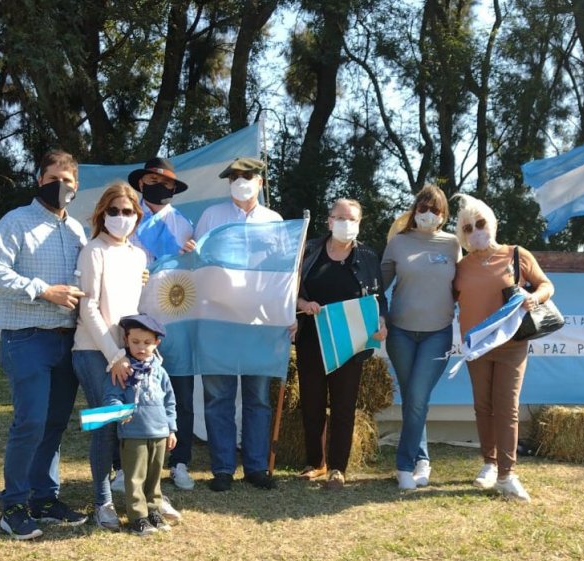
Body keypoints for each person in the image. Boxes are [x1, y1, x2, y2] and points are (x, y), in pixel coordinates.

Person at [0, 149, 88, 539]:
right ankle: (13, 505)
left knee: (55, 424)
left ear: (76, 188)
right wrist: (43, 291)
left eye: (69, 182)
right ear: (39, 180)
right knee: (30, 421)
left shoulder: (77, 231)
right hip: (25, 337)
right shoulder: (16, 221)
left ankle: (44, 499)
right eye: (53, 179)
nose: (61, 186)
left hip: (67, 340)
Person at [451, 194, 554, 502]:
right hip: (477, 347)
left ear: (492, 223)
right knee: (483, 406)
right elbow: (445, 299)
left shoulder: (516, 254)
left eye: (480, 223)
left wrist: (535, 298)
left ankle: (507, 474)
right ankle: (489, 463)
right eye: (468, 228)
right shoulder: (460, 267)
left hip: (512, 344)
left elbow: (546, 284)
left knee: (507, 407)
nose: (475, 231)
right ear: (462, 235)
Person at [194, 157, 281, 491]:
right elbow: (199, 264)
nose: (241, 182)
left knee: (258, 397)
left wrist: (283, 315)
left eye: (247, 177)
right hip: (219, 319)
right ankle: (223, 468)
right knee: (218, 397)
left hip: (260, 322)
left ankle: (257, 467)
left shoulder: (274, 221)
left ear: (260, 182)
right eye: (234, 177)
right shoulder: (211, 217)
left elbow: (283, 274)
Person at [296, 198, 388, 490]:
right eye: (340, 218)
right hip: (312, 338)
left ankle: (338, 467)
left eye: (353, 219)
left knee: (343, 406)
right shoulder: (308, 250)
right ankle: (315, 462)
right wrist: (302, 303)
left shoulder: (369, 256)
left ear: (359, 224)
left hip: (351, 341)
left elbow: (379, 299)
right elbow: (288, 289)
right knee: (311, 403)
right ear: (329, 221)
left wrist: (381, 321)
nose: (346, 224)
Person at [71, 182, 146, 530]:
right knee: (103, 425)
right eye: (113, 211)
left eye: (127, 212)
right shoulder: (93, 251)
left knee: (130, 425)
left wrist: (137, 352)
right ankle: (103, 504)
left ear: (136, 216)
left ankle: (139, 496)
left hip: (128, 355)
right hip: (92, 351)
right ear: (102, 214)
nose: (120, 217)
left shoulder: (138, 255)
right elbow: (88, 307)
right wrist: (114, 355)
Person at [381, 184, 460, 490]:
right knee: (415, 398)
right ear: (415, 211)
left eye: (435, 210)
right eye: (423, 208)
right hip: (400, 332)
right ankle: (422, 459)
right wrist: (381, 316)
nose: (428, 214)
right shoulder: (398, 243)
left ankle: (403, 465)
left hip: (437, 334)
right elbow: (378, 288)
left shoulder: (453, 244)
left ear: (444, 215)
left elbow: (463, 286)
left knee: (417, 396)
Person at [127, 157, 197, 493]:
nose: (163, 188)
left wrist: (195, 256)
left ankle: (180, 462)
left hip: (177, 321)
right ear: (142, 183)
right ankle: (122, 465)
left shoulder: (184, 224)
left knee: (180, 395)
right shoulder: (126, 217)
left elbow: (198, 271)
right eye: (156, 182)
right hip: (137, 321)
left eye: (169, 185)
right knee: (129, 393)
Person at [104, 314, 178, 536]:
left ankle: (153, 510)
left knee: (155, 475)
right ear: (126, 341)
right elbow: (111, 396)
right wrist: (118, 410)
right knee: (135, 476)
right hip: (133, 433)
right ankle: (138, 517)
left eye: (147, 343)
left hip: (159, 432)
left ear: (157, 343)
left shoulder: (160, 371)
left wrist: (171, 429)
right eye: (135, 342)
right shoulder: (123, 370)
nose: (141, 347)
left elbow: (170, 401)